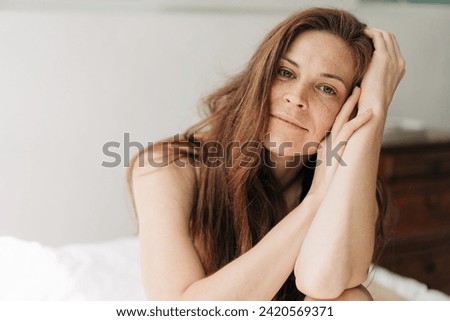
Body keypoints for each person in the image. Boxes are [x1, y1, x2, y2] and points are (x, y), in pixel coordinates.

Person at [128, 7, 405, 301]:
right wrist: (315, 201)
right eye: (285, 72)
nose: (297, 97)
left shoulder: (349, 183)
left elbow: (323, 282)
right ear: (260, 77)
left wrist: (374, 112)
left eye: (326, 88)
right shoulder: (166, 168)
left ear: (350, 109)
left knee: (349, 300)